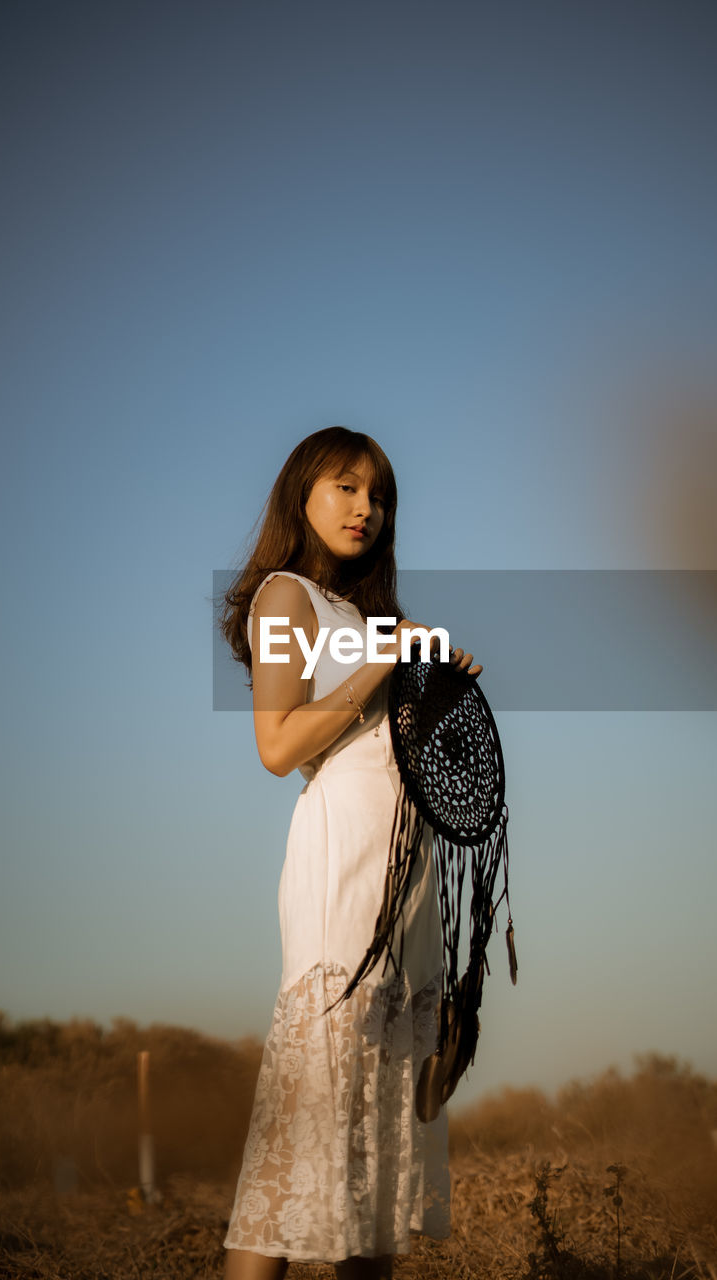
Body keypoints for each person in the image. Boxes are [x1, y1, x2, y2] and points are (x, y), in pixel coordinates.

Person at [218, 426, 482, 1280]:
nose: (366, 507)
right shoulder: (285, 597)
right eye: (345, 487)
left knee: (374, 1161)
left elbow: (395, 752)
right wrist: (382, 661)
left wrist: (438, 688)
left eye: (379, 496)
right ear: (302, 494)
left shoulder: (375, 620)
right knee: (309, 1123)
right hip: (339, 870)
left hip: (407, 873)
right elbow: (278, 745)